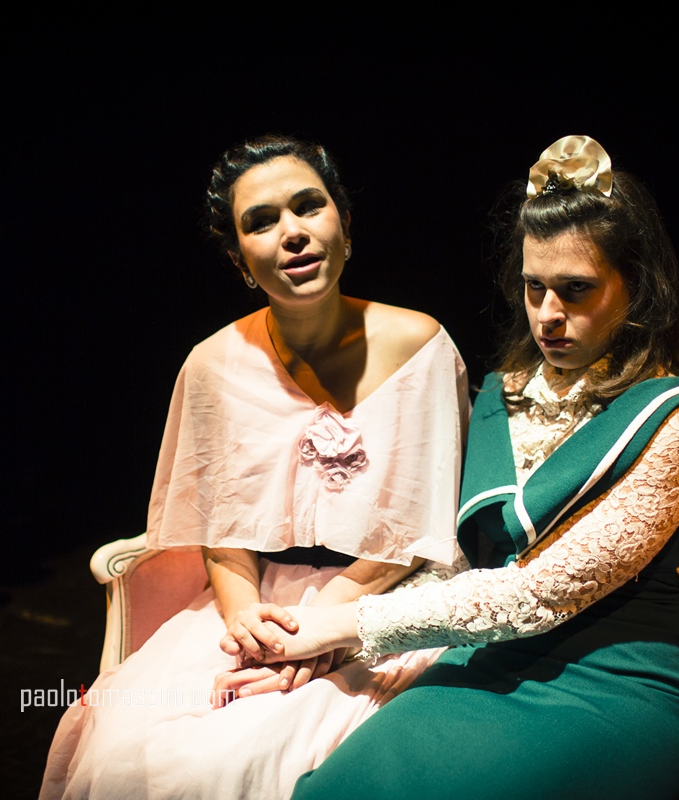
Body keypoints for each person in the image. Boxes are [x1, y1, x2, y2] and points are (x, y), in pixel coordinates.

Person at [256, 135, 679, 800]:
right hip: (488, 661)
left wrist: (347, 624)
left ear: (638, 286)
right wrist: (332, 643)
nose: (548, 315)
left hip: (619, 690)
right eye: (534, 288)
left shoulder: (676, 419)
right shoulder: (501, 398)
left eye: (576, 290)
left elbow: (539, 593)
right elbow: (463, 566)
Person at [39, 134, 469, 799]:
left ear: (344, 225)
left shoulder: (422, 345)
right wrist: (247, 623)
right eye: (262, 222)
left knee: (244, 758)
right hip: (260, 601)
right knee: (131, 754)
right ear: (241, 261)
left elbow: (420, 527)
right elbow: (222, 532)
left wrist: (326, 627)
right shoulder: (211, 364)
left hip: (386, 601)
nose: (292, 232)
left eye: (308, 206)